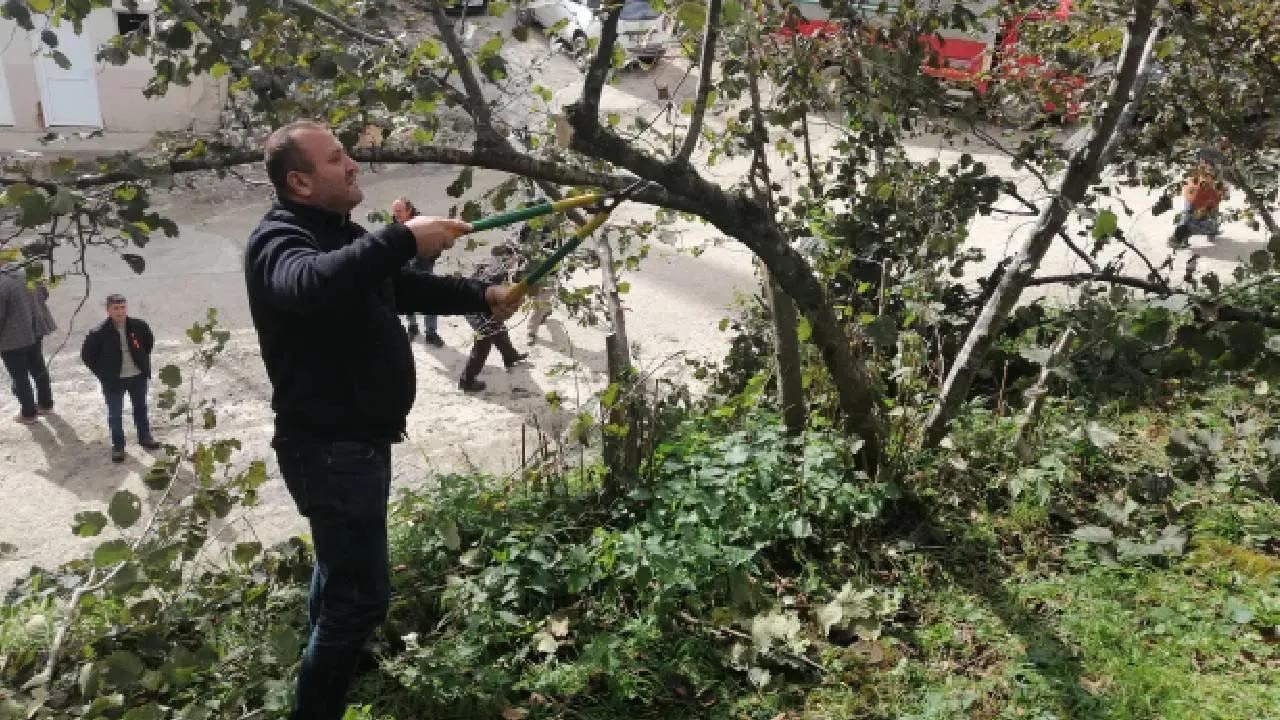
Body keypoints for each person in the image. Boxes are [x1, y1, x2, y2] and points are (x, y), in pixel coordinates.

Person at [242, 120, 520, 720]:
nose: (353, 165)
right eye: (337, 157)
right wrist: (401, 238)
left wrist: (483, 296)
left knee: (339, 572)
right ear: (300, 181)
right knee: (358, 600)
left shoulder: (340, 234)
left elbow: (398, 286)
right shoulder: (280, 240)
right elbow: (308, 286)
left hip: (354, 443)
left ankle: (337, 662)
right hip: (330, 448)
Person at [80, 293, 160, 461]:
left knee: (140, 408)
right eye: (116, 308)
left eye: (123, 307)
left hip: (137, 377)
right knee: (115, 414)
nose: (120, 311)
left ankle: (144, 437)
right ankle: (118, 446)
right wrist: (103, 374)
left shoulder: (139, 326)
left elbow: (148, 343)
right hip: (114, 381)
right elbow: (88, 356)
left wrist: (141, 362)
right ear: (108, 310)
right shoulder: (98, 333)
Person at [460, 244, 529, 393]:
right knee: (484, 343)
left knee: (500, 330)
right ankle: (467, 381)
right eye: (513, 258)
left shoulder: (488, 262)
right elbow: (487, 296)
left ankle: (510, 357)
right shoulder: (497, 272)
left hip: (474, 302)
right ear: (507, 258)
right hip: (476, 309)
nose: (514, 262)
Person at [0, 257, 56, 424]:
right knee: (38, 365)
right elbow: (44, 294)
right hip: (35, 329)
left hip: (12, 337)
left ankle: (28, 413)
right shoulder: (28, 272)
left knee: (19, 376)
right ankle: (46, 404)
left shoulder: (1, 283)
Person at [391, 197, 445, 348]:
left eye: (399, 211)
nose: (396, 214)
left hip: (424, 266)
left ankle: (431, 333)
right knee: (407, 299)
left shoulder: (423, 224)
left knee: (431, 300)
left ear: (409, 210)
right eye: (394, 211)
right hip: (404, 268)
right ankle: (412, 326)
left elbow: (436, 243)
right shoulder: (393, 226)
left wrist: (429, 259)